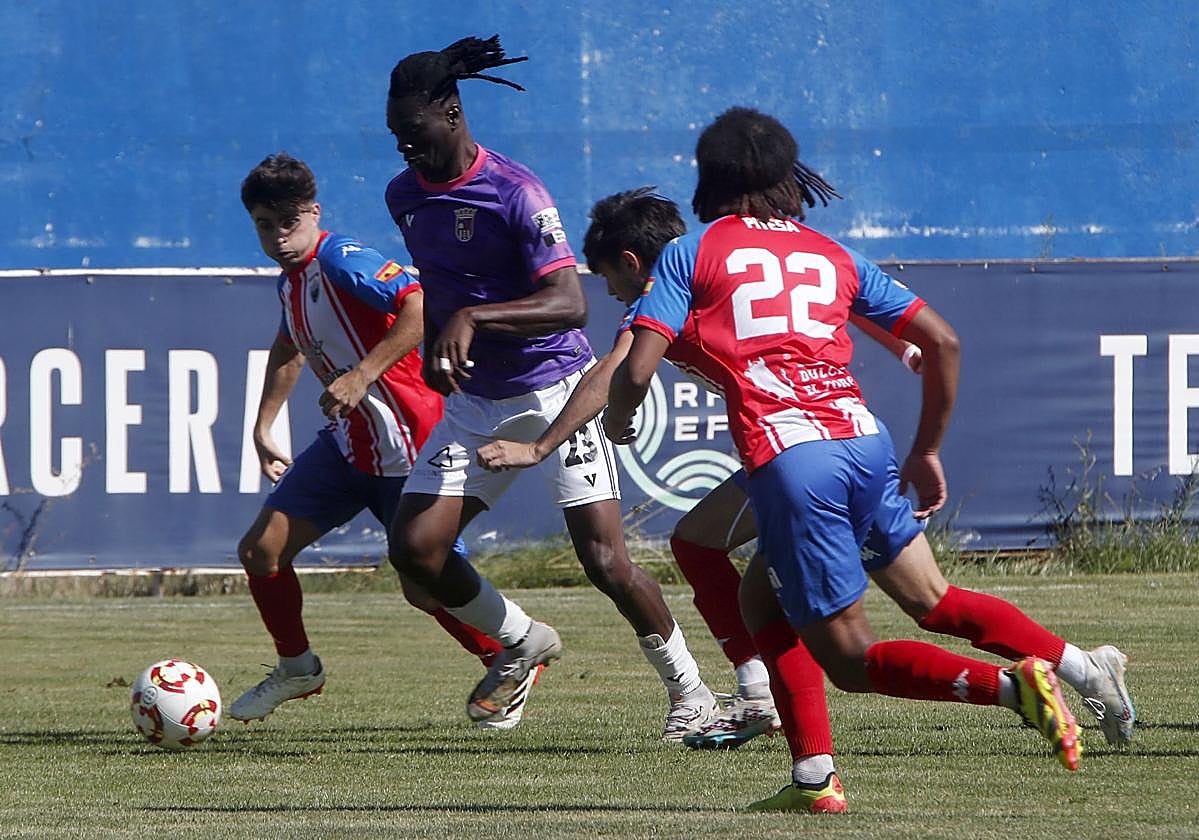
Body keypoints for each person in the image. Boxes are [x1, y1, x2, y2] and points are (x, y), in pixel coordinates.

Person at [481, 187, 1134, 775]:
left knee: (785, 606)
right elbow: (840, 305)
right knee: (922, 599)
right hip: (847, 444)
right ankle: (1080, 667)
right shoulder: (750, 264)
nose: (615, 298)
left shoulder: (674, 283)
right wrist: (898, 346)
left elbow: (613, 373)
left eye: (610, 282)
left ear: (627, 263)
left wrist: (541, 444)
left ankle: (773, 710)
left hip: (796, 456)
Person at [603, 107, 1110, 811]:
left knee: (847, 658)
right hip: (862, 442)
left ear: (708, 177)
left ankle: (1013, 688)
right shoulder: (828, 251)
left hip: (793, 460)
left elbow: (631, 373)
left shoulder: (694, 253)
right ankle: (813, 779)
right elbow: (943, 342)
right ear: (783, 175)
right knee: (768, 597)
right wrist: (926, 448)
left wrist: (622, 422)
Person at [382, 35, 717, 738]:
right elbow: (446, 288)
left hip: (554, 390)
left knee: (604, 561)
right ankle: (523, 640)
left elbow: (570, 303)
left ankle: (691, 694)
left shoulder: (516, 190)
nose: (403, 148)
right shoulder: (403, 195)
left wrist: (471, 318)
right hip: (477, 403)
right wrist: (445, 344)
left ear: (450, 114)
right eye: (393, 135)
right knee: (415, 550)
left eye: (411, 133)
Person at [230, 153, 518, 728]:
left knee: (425, 584)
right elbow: (291, 346)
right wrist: (264, 427)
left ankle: (508, 657)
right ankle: (298, 668)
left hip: (408, 445)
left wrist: (362, 374)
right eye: (265, 224)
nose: (279, 236)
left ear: (313, 212)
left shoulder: (341, 258)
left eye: (289, 221)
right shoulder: (292, 282)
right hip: (347, 445)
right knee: (260, 551)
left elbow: (420, 305)